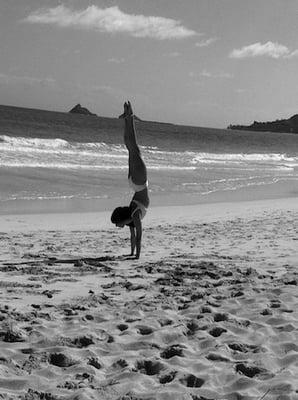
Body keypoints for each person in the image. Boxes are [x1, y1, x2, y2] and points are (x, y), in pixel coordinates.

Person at [111, 101, 149, 259]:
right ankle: (128, 117)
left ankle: (129, 116)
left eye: (116, 224)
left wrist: (136, 256)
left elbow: (137, 236)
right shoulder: (132, 218)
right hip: (137, 183)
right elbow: (137, 236)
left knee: (131, 146)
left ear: (122, 220)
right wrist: (134, 254)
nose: (117, 227)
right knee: (131, 146)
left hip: (138, 183)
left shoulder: (133, 216)